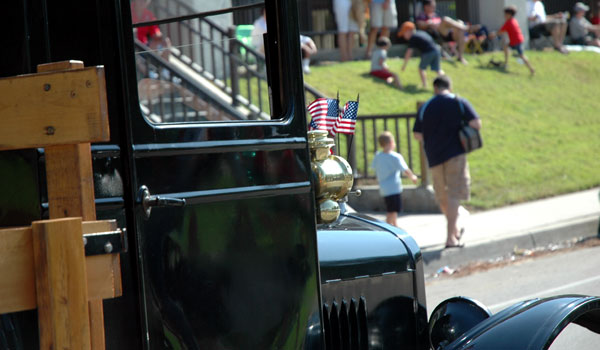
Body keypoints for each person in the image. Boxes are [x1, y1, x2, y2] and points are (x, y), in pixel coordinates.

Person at [413, 75, 481, 248]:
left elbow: (417, 134)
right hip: (455, 153)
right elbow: (476, 123)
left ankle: (455, 230)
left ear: (435, 88)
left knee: (442, 196)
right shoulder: (459, 102)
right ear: (449, 87)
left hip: (434, 156)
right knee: (453, 194)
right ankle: (451, 238)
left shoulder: (426, 106)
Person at [371, 131, 418, 227]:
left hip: (384, 188)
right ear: (391, 143)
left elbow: (374, 167)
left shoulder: (378, 156)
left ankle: (395, 225)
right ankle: (388, 226)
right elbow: (405, 169)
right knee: (392, 210)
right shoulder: (395, 157)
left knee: (392, 208)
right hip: (394, 188)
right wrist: (412, 177)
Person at [399, 21, 444, 89]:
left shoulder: (413, 37)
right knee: (438, 70)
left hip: (429, 52)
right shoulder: (420, 33)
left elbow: (409, 52)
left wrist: (404, 65)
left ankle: (424, 85)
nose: (404, 36)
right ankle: (446, 84)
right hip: (436, 50)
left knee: (421, 69)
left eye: (404, 34)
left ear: (408, 31)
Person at [498, 6, 535, 75]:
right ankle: (506, 63)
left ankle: (531, 68)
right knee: (505, 47)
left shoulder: (509, 22)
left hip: (516, 41)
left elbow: (500, 32)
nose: (504, 16)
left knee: (521, 55)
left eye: (505, 14)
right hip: (516, 40)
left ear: (509, 15)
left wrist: (493, 34)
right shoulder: (513, 20)